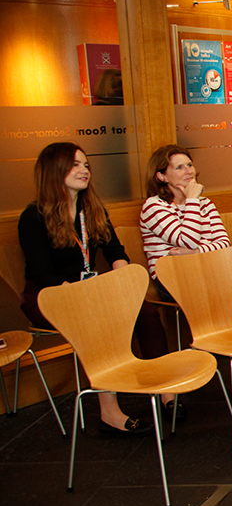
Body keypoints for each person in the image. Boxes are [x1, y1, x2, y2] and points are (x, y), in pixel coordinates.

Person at [19, 142, 174, 435]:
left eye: (86, 165)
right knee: (97, 321)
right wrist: (91, 295)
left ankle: (166, 391)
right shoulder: (34, 216)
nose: (84, 170)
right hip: (48, 296)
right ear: (55, 170)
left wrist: (121, 278)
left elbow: (116, 251)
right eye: (75, 165)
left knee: (145, 312)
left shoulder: (91, 209)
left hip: (90, 291)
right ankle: (109, 412)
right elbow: (43, 274)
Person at [139, 144, 231, 287]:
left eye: (189, 165)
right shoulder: (153, 206)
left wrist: (195, 253)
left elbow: (224, 243)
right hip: (172, 278)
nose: (189, 171)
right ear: (162, 176)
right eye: (179, 168)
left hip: (209, 270)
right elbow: (188, 241)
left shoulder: (205, 203)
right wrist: (192, 199)